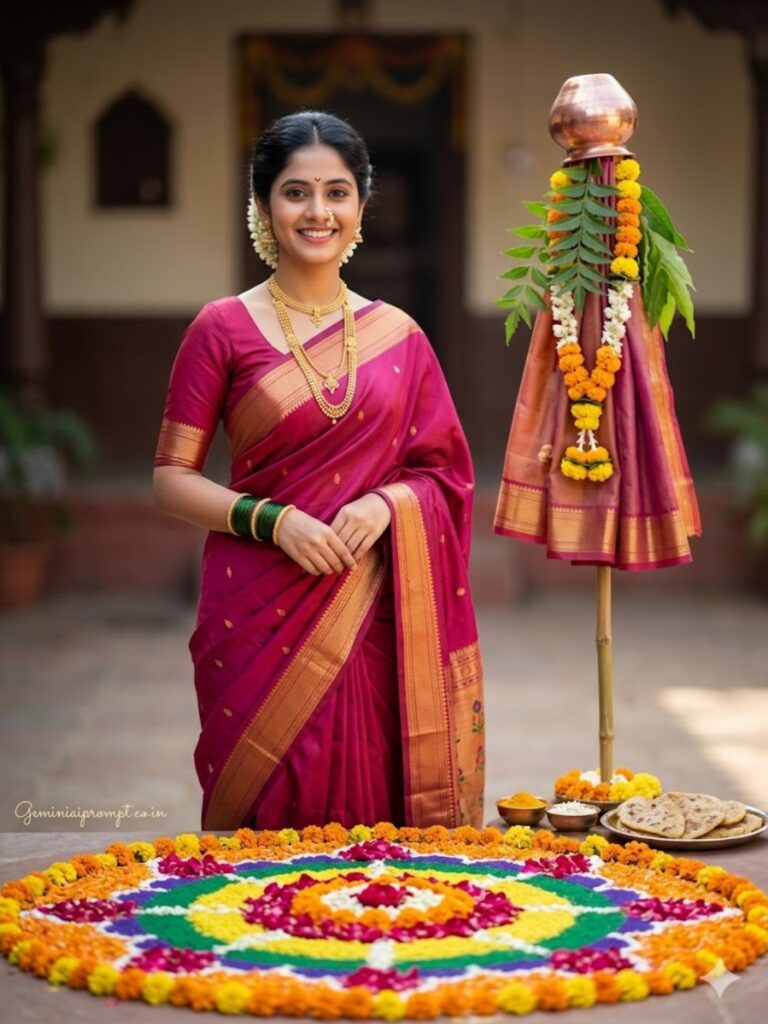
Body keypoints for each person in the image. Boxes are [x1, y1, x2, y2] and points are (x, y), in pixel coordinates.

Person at [153, 111, 484, 831]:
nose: (317, 211)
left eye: (336, 192)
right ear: (263, 206)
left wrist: (389, 504)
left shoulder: (402, 336)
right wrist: (272, 519)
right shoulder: (220, 328)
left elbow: (446, 476)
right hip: (257, 605)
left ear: (362, 206)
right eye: (295, 192)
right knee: (262, 831)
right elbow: (171, 477)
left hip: (370, 606)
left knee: (375, 836)